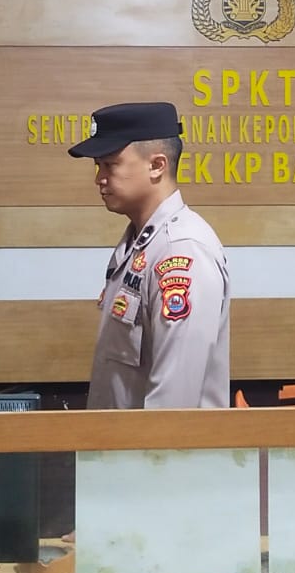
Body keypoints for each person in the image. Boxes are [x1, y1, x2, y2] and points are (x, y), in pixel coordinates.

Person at [69, 101, 230, 408]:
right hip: (119, 438)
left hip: (158, 440)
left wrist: (146, 445)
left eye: (110, 165)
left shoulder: (181, 249)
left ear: (157, 165)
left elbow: (173, 402)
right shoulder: (141, 243)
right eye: (98, 166)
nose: (99, 178)